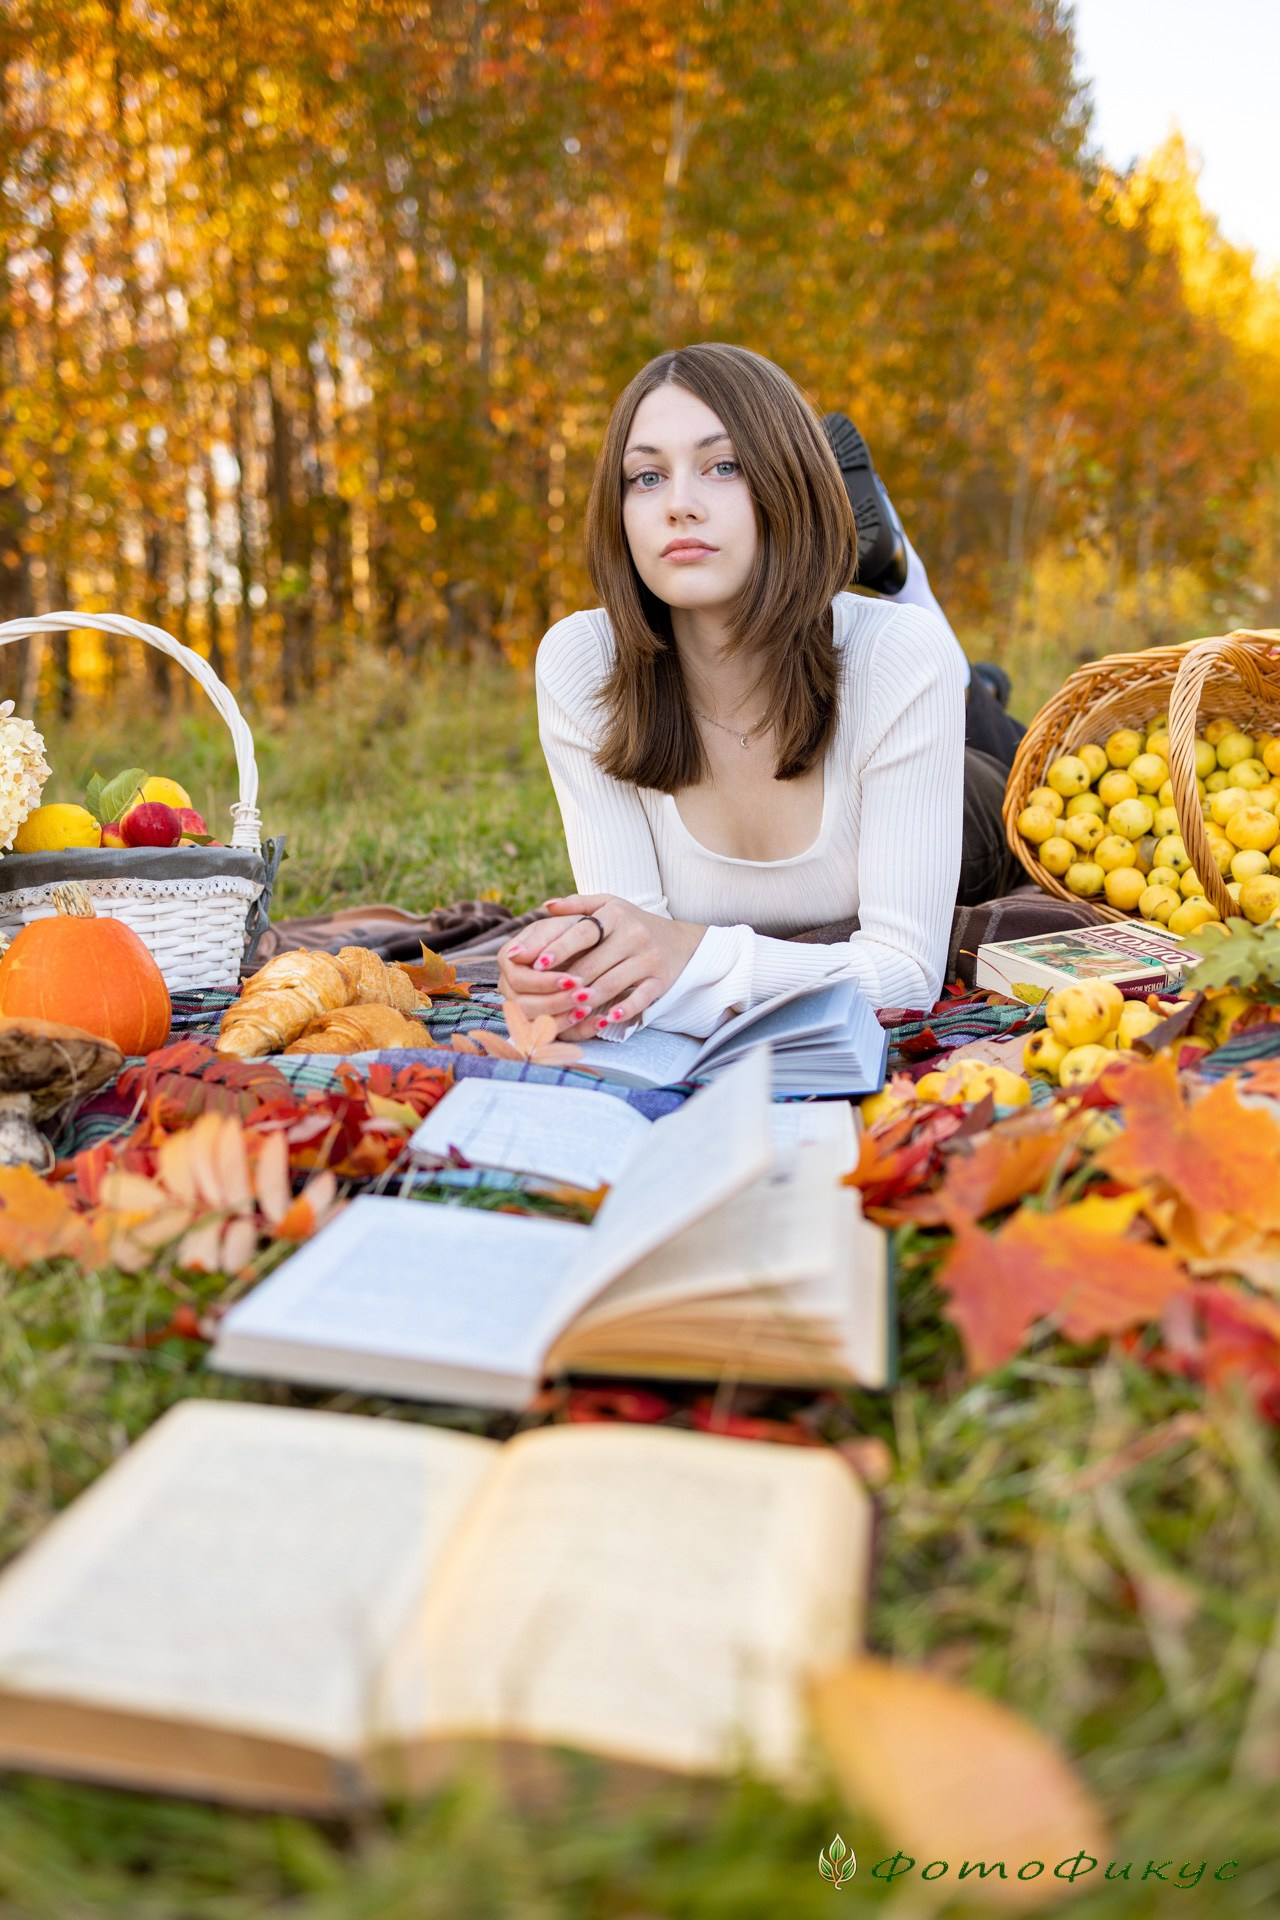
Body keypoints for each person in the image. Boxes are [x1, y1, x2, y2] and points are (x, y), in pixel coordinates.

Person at [497, 342, 1016, 1040]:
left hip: (958, 796)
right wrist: (576, 973)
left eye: (724, 467)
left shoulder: (897, 658)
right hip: (878, 691)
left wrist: (692, 953)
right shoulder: (581, 663)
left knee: (1017, 769)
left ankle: (913, 600)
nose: (678, 505)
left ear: (788, 482)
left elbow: (906, 975)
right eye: (646, 477)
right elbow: (635, 950)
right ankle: (947, 650)